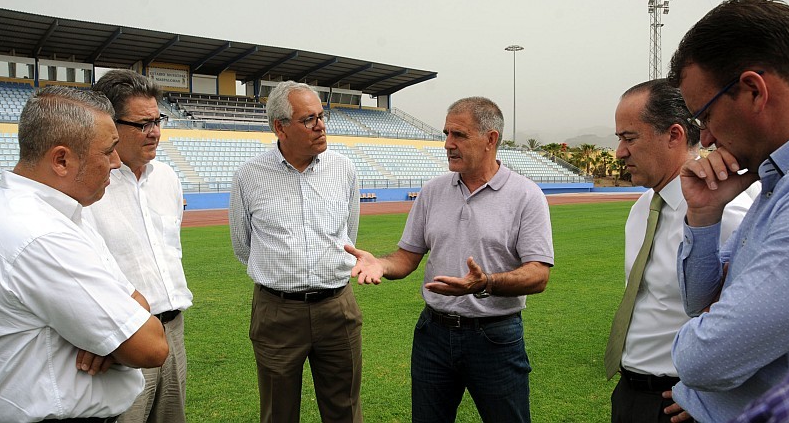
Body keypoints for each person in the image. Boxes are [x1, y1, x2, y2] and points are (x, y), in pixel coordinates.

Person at [345, 97, 553, 423]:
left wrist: (486, 284)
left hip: (495, 338)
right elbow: (406, 257)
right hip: (433, 335)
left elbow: (538, 274)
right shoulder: (433, 191)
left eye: (459, 135)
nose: (447, 144)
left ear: (491, 139)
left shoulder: (526, 196)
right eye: (446, 133)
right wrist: (381, 265)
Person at [0, 86, 169, 422]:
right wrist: (118, 337)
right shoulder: (42, 234)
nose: (116, 162)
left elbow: (140, 302)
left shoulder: (60, 213)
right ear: (62, 159)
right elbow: (150, 346)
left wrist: (108, 337)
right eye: (107, 152)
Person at [668, 0, 789, 423]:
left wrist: (711, 333)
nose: (704, 140)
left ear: (754, 90)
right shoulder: (774, 181)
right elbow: (699, 300)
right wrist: (705, 214)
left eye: (703, 116)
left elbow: (705, 360)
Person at [604, 79, 754, 423]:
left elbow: (758, 319)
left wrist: (717, 394)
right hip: (630, 394)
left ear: (674, 135)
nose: (620, 152)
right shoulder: (643, 207)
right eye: (618, 140)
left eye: (629, 138)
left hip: (679, 402)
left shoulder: (724, 212)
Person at [229, 80, 361, 423]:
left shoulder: (344, 169)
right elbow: (243, 245)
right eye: (308, 119)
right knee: (278, 414)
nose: (320, 126)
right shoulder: (249, 175)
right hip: (277, 313)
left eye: (321, 115)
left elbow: (349, 235)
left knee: (345, 410)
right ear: (280, 127)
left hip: (337, 309)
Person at [86, 69, 193, 423]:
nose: (156, 131)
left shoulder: (167, 178)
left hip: (172, 331)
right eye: (144, 124)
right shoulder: (88, 185)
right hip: (121, 339)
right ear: (111, 124)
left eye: (158, 120)